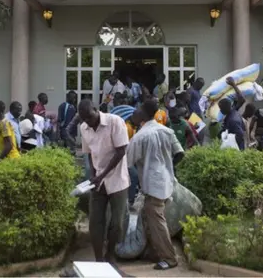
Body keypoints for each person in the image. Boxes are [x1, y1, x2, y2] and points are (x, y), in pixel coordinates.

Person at [127, 99, 184, 271]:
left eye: (137, 111)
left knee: (157, 221)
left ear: (143, 114)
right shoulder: (167, 131)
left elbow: (128, 163)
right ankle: (155, 252)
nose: (134, 114)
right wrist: (167, 167)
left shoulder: (140, 137)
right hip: (166, 181)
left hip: (152, 185)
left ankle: (169, 258)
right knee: (149, 217)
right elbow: (180, 153)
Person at [78, 99, 130, 264]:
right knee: (95, 222)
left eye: (90, 117)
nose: (88, 121)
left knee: (117, 223)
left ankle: (111, 254)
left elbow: (121, 151)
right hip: (98, 181)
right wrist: (94, 177)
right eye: (84, 119)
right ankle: (99, 260)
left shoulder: (115, 122)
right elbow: (88, 154)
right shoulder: (84, 128)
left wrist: (102, 175)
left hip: (117, 180)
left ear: (96, 109)